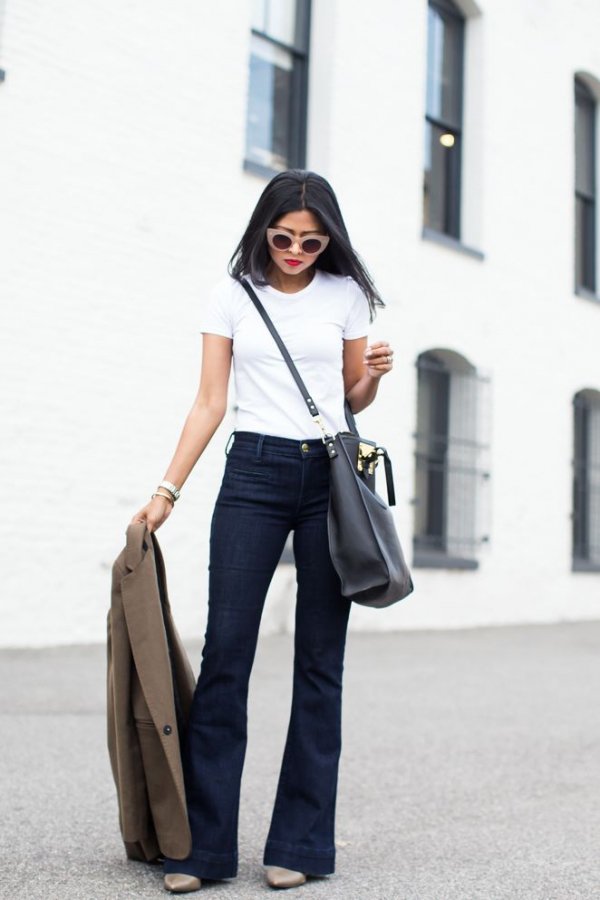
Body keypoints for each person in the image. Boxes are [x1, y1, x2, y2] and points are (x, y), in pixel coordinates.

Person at [130, 169, 394, 894]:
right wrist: (167, 490)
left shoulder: (345, 295)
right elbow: (210, 402)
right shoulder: (232, 294)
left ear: (329, 239)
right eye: (283, 237)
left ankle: (300, 843)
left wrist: (373, 374)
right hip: (252, 472)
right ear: (264, 229)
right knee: (227, 656)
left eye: (312, 241)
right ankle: (201, 848)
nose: (296, 250)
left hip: (328, 480)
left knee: (319, 661)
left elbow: (350, 397)